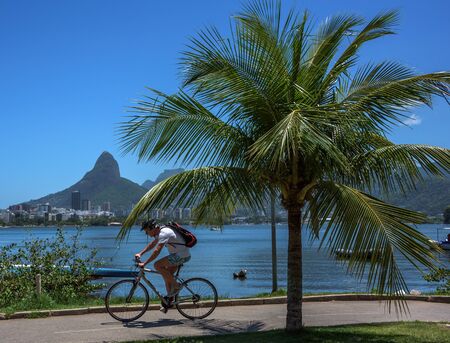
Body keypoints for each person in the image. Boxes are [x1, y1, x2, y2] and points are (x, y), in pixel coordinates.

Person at [135, 219, 191, 307]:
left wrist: (144, 263)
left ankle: (177, 286)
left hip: (181, 256)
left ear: (152, 228)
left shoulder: (164, 233)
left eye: (147, 232)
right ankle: (169, 300)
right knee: (167, 276)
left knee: (157, 265)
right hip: (179, 255)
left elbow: (157, 250)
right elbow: (153, 244)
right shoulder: (161, 231)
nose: (147, 235)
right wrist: (140, 253)